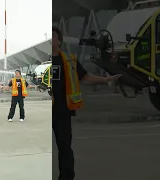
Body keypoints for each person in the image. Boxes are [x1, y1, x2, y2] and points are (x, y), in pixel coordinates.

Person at [52, 26, 122, 180]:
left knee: (65, 148)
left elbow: (85, 77)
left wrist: (106, 79)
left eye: (54, 35)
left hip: (62, 111)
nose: (51, 38)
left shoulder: (69, 60)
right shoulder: (38, 62)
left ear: (60, 40)